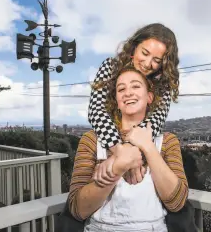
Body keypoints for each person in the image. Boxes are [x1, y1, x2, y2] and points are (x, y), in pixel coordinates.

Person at [69, 67, 188, 231]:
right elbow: (78, 209)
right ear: (117, 101)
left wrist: (147, 146)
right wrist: (118, 167)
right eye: (121, 89)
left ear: (149, 97)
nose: (128, 93)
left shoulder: (168, 141)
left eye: (136, 86)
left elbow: (177, 202)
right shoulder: (91, 140)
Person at [88, 23, 180, 184]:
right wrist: (120, 152)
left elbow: (155, 121)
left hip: (143, 152)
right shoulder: (110, 67)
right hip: (106, 146)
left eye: (156, 60)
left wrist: (130, 152)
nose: (147, 63)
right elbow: (96, 110)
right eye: (145, 53)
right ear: (134, 47)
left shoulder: (163, 84)